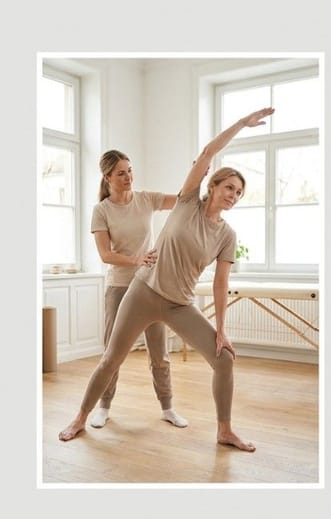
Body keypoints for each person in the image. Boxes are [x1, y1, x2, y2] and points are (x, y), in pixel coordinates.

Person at [58, 107, 276, 451]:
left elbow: (221, 284)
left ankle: (224, 430)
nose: (233, 195)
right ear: (212, 185)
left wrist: (222, 329)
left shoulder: (227, 235)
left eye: (239, 193)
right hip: (142, 291)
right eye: (229, 187)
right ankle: (81, 418)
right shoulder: (187, 201)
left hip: (179, 303)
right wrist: (241, 124)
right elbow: (207, 154)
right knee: (111, 358)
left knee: (224, 358)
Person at [88, 149, 186, 429]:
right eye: (121, 172)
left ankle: (167, 407)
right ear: (107, 177)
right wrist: (136, 259)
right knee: (112, 352)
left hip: (151, 287)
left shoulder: (146, 199)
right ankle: (103, 407)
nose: (128, 176)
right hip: (119, 286)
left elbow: (181, 200)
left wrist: (199, 172)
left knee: (159, 352)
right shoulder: (102, 211)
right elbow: (106, 255)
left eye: (130, 170)